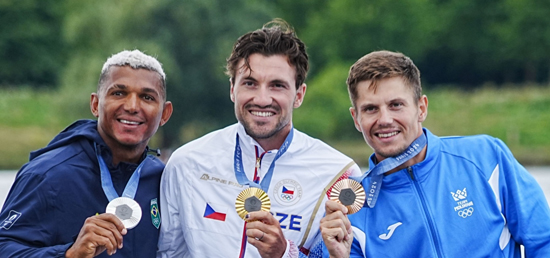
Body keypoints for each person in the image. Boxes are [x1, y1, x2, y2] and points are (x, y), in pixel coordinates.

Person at [156, 19, 362, 258]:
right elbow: (168, 254)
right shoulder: (186, 163)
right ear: (232, 89)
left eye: (277, 85)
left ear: (299, 94)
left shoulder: (339, 175)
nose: (262, 99)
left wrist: (283, 254)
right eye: (250, 83)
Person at [318, 50, 550, 257]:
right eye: (371, 109)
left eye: (396, 105)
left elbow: (543, 241)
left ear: (421, 108)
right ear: (356, 119)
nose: (385, 120)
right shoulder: (351, 208)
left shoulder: (487, 157)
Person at [0, 49, 173, 257]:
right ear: (95, 104)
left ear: (164, 113)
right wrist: (69, 254)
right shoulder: (47, 174)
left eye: (146, 97)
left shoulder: (164, 179)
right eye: (118, 93)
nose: (132, 106)